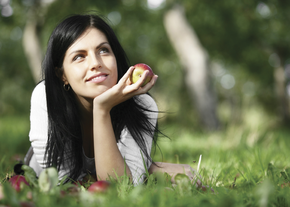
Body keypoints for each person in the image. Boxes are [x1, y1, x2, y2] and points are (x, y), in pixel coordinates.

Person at [25, 14, 200, 185]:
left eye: (103, 50)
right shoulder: (46, 96)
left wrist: (101, 109)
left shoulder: (142, 104)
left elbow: (121, 187)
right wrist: (152, 169)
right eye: (79, 56)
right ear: (62, 74)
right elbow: (64, 183)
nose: (95, 63)